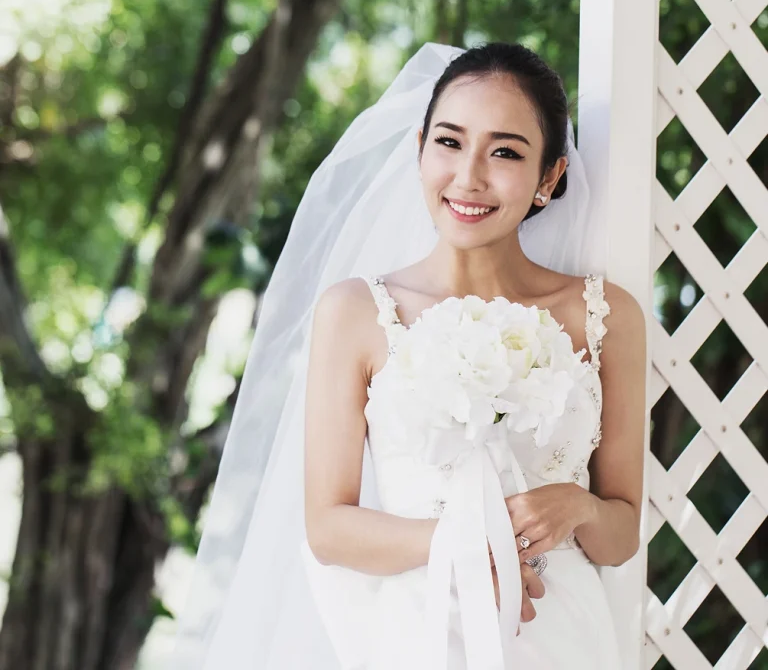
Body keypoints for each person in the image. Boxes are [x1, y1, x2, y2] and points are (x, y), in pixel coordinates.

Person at [170, 41, 647, 670]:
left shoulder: (604, 316)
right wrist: (460, 545)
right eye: (450, 142)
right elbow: (329, 527)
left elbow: (619, 536)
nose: (470, 176)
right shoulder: (356, 312)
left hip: (561, 634)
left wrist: (580, 506)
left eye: (505, 151)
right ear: (420, 148)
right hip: (417, 632)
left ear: (550, 177)